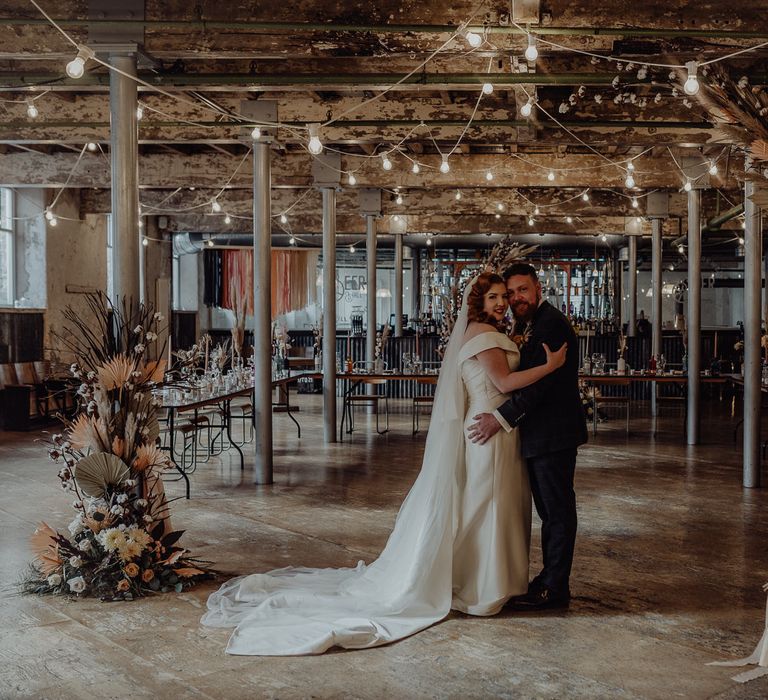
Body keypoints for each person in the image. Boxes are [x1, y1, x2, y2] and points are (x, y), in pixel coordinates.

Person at [201, 272, 566, 655]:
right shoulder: (484, 335)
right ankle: (484, 588)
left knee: (490, 505)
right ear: (478, 301)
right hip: (489, 430)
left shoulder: (481, 332)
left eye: (504, 297)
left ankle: (483, 579)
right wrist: (551, 366)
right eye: (494, 297)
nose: (502, 303)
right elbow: (506, 384)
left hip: (495, 429)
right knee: (488, 505)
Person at [468, 263, 587, 610]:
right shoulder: (525, 323)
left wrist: (500, 418)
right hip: (537, 434)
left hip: (553, 434)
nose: (515, 298)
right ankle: (548, 580)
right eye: (509, 293)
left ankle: (554, 588)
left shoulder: (551, 324)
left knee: (557, 512)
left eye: (521, 290)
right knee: (550, 511)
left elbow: (540, 386)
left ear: (537, 288)